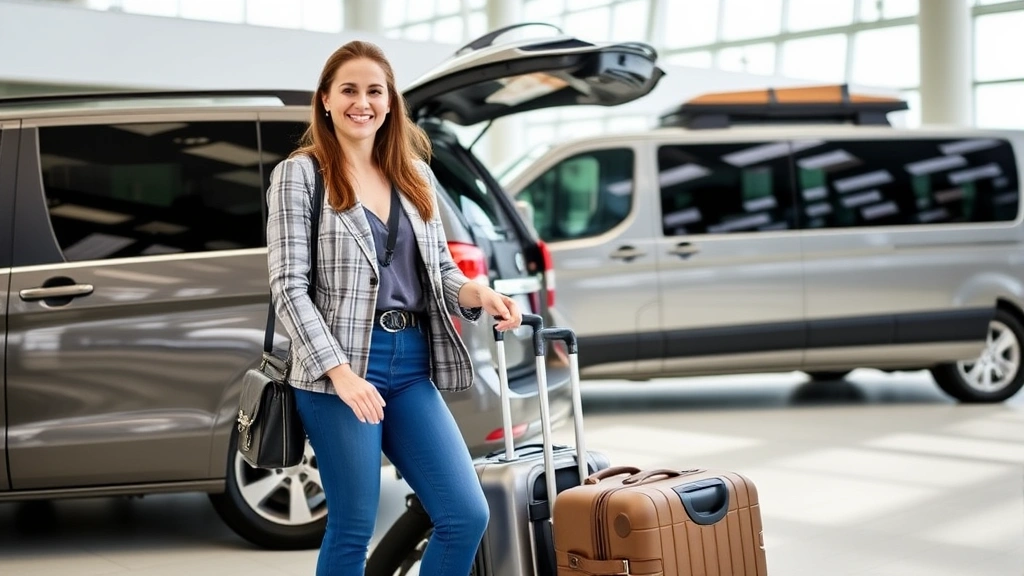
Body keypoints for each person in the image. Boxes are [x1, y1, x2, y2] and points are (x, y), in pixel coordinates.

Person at [266, 40, 522, 576]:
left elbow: (439, 273)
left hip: (410, 365)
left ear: (390, 102)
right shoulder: (301, 175)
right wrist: (340, 374)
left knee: (464, 513)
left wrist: (479, 292)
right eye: (350, 90)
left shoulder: (414, 174)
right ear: (327, 100)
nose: (363, 102)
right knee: (353, 525)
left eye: (374, 91)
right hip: (340, 367)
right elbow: (289, 287)